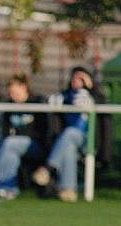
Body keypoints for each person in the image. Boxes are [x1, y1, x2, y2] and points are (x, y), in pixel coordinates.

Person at [0, 73, 48, 200]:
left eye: (14, 91)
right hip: (13, 146)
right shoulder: (9, 106)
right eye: (10, 92)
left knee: (10, 144)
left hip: (34, 146)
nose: (12, 95)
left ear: (24, 87)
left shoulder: (36, 102)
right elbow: (6, 133)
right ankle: (7, 189)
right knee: (9, 150)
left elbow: (44, 131)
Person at [32, 66, 101, 202]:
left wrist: (89, 89)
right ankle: (68, 190)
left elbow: (98, 103)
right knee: (68, 144)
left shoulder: (95, 96)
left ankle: (48, 168)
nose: (77, 81)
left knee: (69, 134)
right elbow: (51, 101)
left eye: (81, 78)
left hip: (88, 139)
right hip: (66, 140)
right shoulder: (65, 96)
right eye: (75, 78)